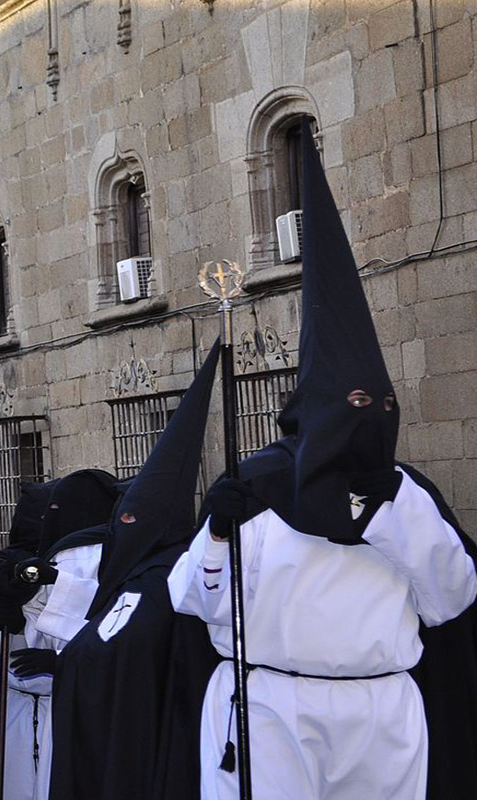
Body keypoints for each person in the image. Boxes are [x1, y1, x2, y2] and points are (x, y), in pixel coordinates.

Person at [169, 132, 477, 800]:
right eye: (350, 406)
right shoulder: (254, 489)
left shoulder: (408, 495)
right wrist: (218, 534)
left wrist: (392, 510)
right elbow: (191, 600)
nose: (364, 418)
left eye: (376, 404)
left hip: (383, 715)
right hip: (273, 710)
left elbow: (452, 597)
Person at [49, 344, 222, 800]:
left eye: (132, 521)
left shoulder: (158, 577)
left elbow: (119, 649)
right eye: (121, 519)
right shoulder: (148, 571)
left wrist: (67, 664)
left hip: (156, 736)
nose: (124, 530)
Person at [0, 470, 119, 800]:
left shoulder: (108, 559)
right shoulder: (9, 565)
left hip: (74, 704)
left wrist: (62, 662)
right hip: (11, 702)